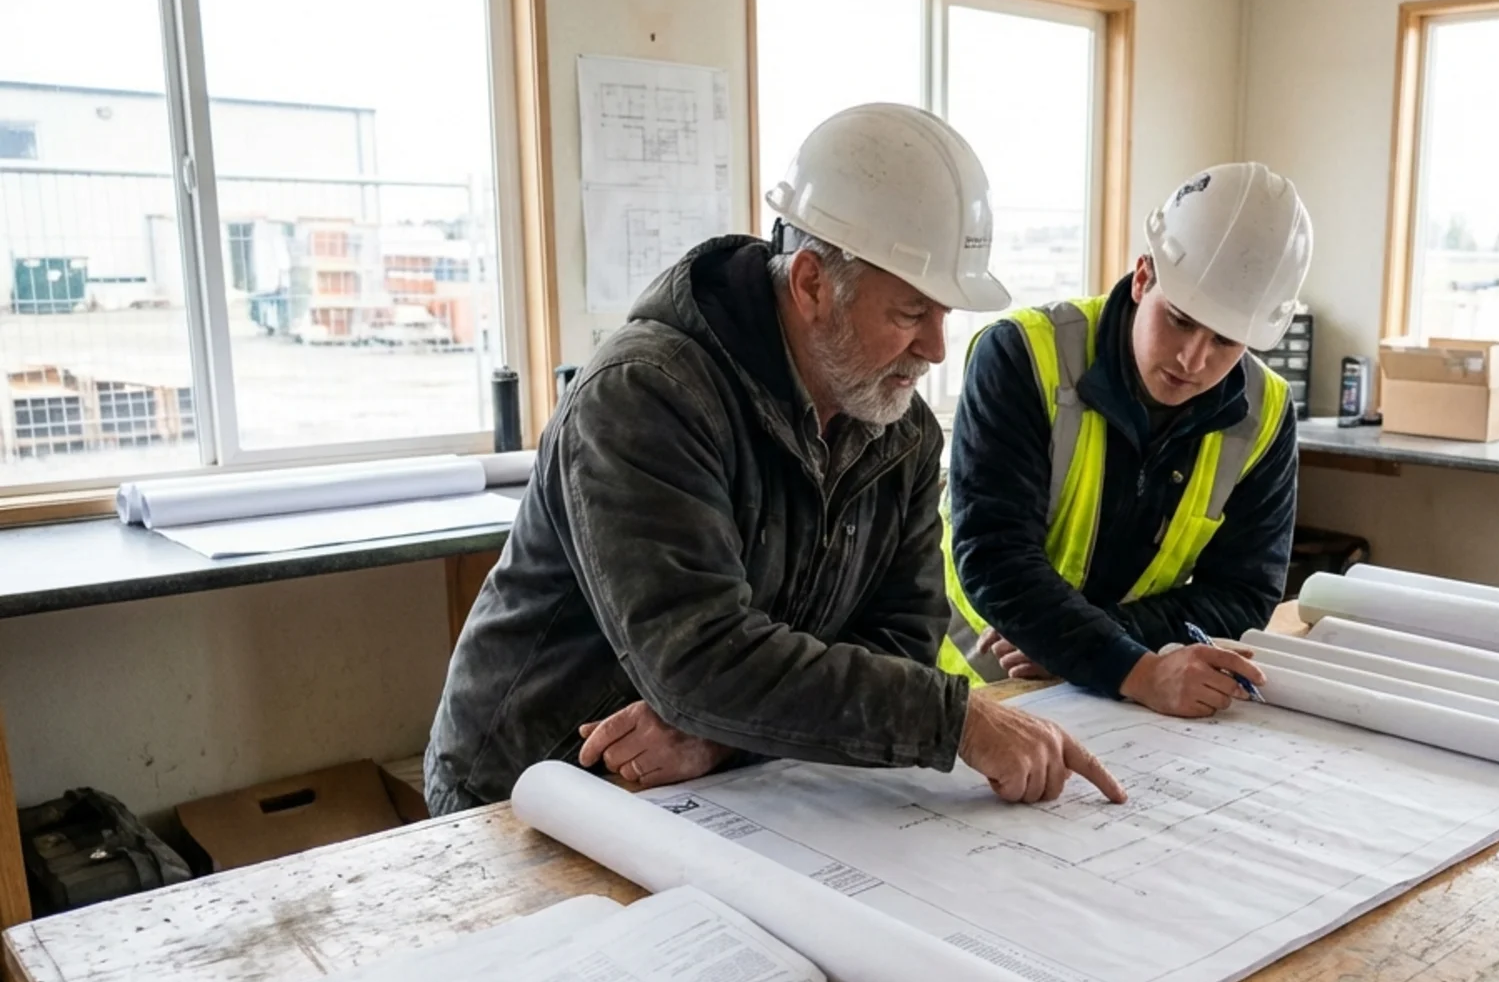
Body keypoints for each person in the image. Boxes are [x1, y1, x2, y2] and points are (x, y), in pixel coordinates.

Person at [426, 104, 1124, 815]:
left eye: (946, 314)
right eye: (913, 312)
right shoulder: (647, 396)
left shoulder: (901, 431)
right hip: (527, 785)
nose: (938, 349)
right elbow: (695, 655)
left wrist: (722, 736)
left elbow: (903, 641)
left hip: (718, 784)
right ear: (814, 284)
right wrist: (959, 719)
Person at [941, 163, 1311, 718]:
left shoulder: (1267, 414)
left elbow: (1243, 593)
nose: (1193, 359)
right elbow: (994, 556)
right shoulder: (1021, 356)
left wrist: (1092, 647)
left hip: (1114, 697)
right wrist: (1130, 667)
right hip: (968, 686)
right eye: (1180, 320)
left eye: (1225, 341)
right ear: (1143, 277)